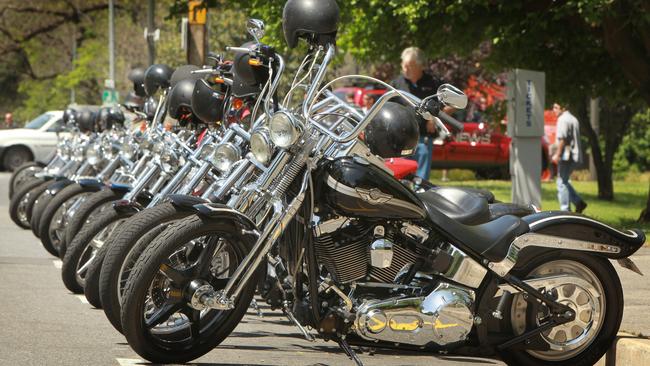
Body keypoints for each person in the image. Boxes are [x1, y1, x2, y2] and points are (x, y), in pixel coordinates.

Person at [391, 47, 448, 181]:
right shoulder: (396, 84)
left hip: (423, 139)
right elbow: (385, 107)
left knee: (421, 182)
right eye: (404, 65)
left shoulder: (434, 83)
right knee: (400, 181)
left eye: (410, 66)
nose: (406, 69)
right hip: (401, 139)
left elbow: (451, 104)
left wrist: (434, 118)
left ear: (421, 66)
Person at [552, 102, 587, 213]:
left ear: (563, 108)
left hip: (566, 156)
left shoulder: (562, 119)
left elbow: (563, 139)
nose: (554, 110)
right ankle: (578, 202)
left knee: (561, 182)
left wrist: (557, 154)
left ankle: (565, 210)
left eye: (556, 107)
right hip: (574, 155)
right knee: (564, 181)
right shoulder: (573, 118)